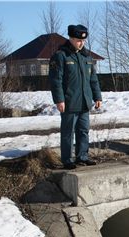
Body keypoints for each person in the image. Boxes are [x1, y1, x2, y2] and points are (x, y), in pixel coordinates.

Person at [49, 24, 102, 170]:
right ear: (71, 39)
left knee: (83, 130)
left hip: (85, 101)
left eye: (83, 41)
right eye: (78, 40)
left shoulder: (86, 57)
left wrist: (97, 97)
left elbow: (93, 79)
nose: (81, 43)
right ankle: (67, 159)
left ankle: (82, 156)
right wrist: (59, 100)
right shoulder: (61, 56)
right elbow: (56, 80)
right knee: (68, 132)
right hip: (70, 101)